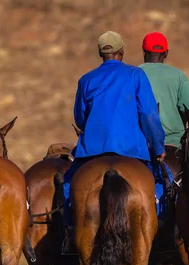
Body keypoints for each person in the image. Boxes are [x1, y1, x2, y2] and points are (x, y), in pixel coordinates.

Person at [63, 31, 171, 231]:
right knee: (163, 180)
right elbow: (148, 115)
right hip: (131, 150)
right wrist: (158, 147)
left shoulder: (86, 80)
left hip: (92, 151)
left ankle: (70, 229)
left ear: (100, 53)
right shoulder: (135, 74)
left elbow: (79, 118)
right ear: (122, 51)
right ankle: (159, 225)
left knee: (69, 184)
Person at [139, 32, 189, 146]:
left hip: (142, 143)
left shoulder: (133, 74)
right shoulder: (178, 75)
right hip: (175, 143)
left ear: (144, 52)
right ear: (166, 53)